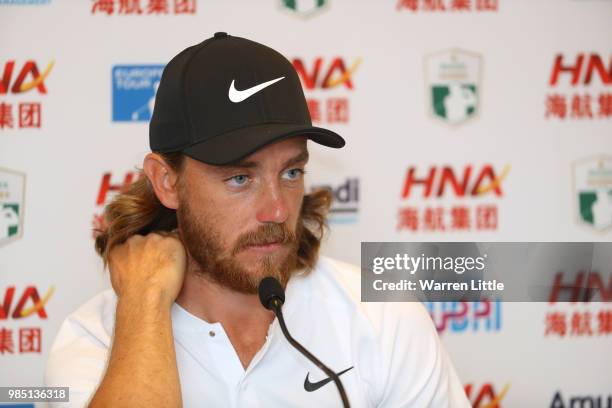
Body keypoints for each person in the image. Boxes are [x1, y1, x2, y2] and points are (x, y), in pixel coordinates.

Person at [45, 33, 470, 407]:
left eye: (291, 173)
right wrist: (146, 302)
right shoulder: (96, 340)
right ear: (167, 181)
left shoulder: (382, 319)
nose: (278, 210)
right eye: (240, 178)